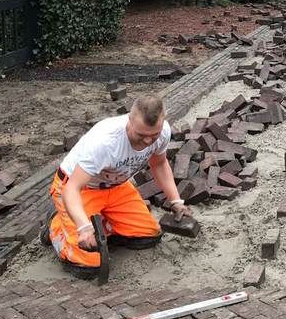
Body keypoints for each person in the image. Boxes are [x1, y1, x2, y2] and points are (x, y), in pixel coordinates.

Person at [43, 96, 191, 278]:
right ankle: (55, 226)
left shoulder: (163, 132)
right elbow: (71, 189)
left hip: (116, 187)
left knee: (149, 235)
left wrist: (175, 200)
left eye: (153, 135)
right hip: (80, 190)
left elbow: (159, 164)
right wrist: (83, 228)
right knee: (88, 264)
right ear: (129, 119)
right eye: (141, 135)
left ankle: (100, 220)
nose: (147, 141)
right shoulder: (104, 142)